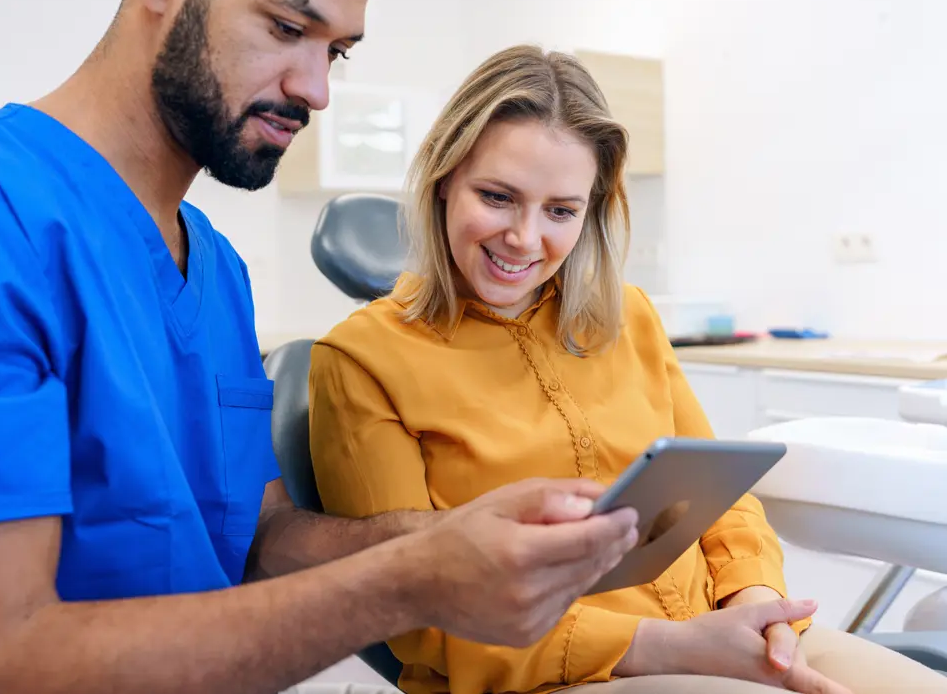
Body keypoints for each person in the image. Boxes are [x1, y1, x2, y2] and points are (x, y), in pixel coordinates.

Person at [0, 0, 643, 693]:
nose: (314, 89)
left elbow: (261, 535)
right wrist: (410, 578)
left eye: (336, 52)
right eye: (286, 27)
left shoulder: (214, 266)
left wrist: (454, 535)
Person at [308, 44, 947, 694]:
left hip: (716, 633)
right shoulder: (361, 361)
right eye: (498, 197)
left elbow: (718, 498)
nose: (526, 239)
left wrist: (761, 609)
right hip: (539, 675)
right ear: (443, 180)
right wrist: (669, 645)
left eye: (561, 210)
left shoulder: (627, 317)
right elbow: (412, 613)